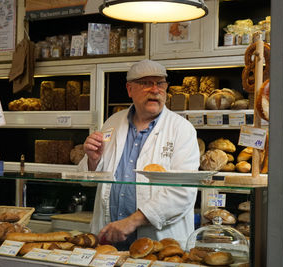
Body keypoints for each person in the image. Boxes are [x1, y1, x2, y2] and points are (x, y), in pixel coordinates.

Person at [77, 59, 200, 250]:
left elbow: (183, 191)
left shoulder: (182, 129)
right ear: (129, 89)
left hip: (159, 243)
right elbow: (88, 181)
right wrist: (93, 160)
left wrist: (133, 221)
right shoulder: (112, 123)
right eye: (145, 83)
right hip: (110, 241)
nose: (155, 89)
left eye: (160, 83)